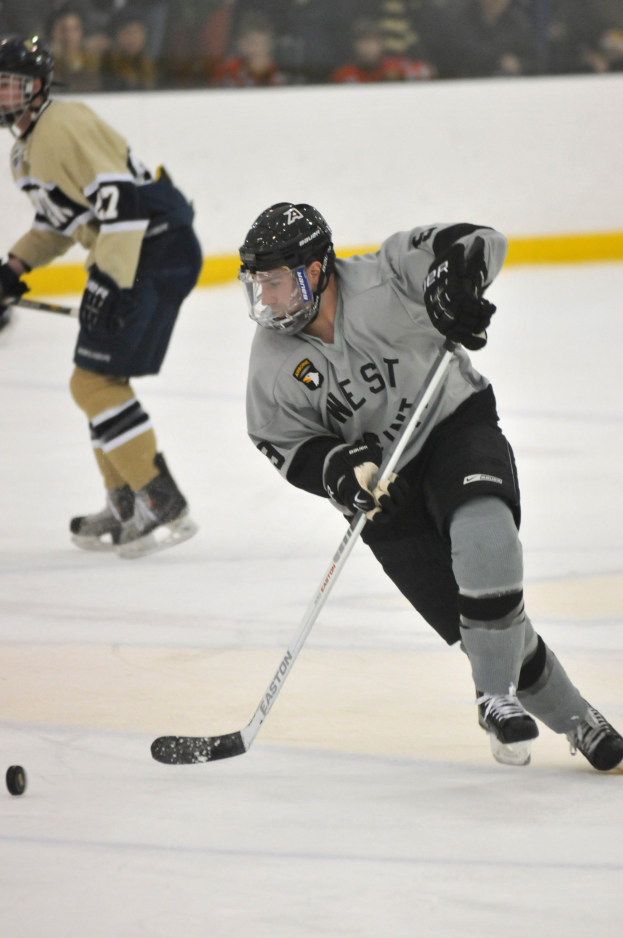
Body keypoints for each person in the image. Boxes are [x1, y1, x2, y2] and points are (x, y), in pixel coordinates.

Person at [238, 201, 623, 772]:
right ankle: (578, 719)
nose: (266, 299)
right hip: (383, 493)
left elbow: (478, 240)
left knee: (487, 539)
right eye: (257, 285)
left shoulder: (388, 275)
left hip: (452, 426)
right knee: (488, 629)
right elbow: (281, 441)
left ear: (316, 270)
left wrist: (456, 282)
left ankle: (492, 699)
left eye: (276, 283)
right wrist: (336, 468)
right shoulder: (272, 363)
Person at [0, 36, 202, 558]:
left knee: (93, 382)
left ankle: (159, 502)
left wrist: (109, 281)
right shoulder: (25, 151)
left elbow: (124, 205)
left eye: (7, 84)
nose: (0, 94)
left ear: (36, 86)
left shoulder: (62, 127)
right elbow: (60, 222)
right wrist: (14, 268)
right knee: (96, 383)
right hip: (138, 250)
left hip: (154, 250)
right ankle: (127, 502)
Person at [331, 17, 435, 83]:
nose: (368, 47)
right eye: (363, 42)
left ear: (381, 44)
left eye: (373, 41)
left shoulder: (396, 66)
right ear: (355, 46)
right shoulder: (344, 74)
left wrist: (400, 74)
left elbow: (429, 71)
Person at [211, 12, 286, 88]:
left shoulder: (275, 70)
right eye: (252, 43)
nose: (258, 49)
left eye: (263, 44)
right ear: (241, 44)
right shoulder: (228, 69)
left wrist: (262, 72)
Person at [48, 4, 102, 93]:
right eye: (63, 30)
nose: (68, 36)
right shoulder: (45, 63)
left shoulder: (94, 60)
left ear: (82, 32)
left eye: (74, 29)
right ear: (52, 32)